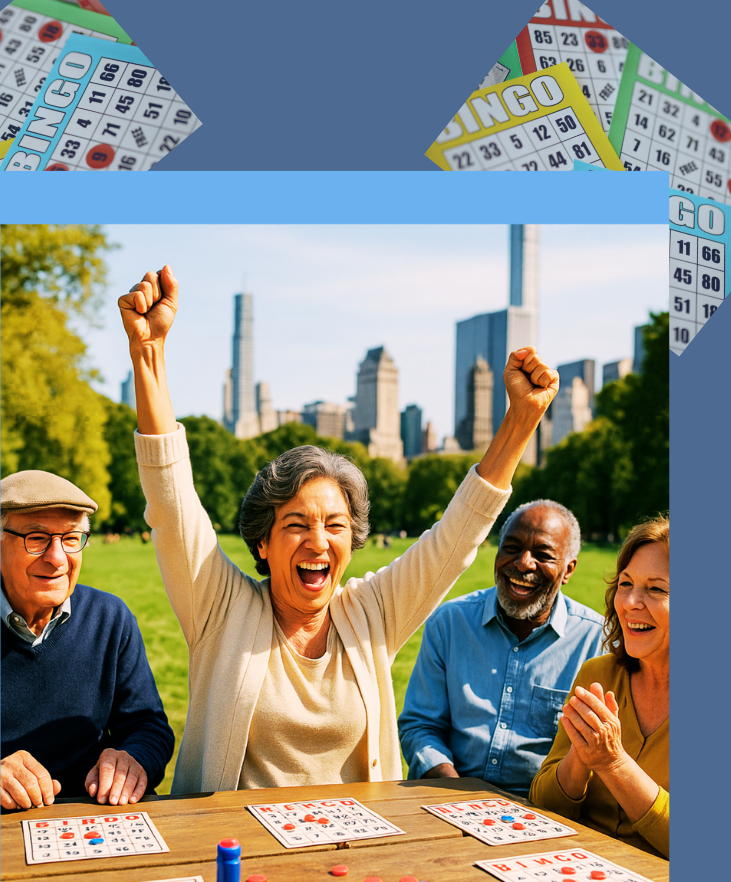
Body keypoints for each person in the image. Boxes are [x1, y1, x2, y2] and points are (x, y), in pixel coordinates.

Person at [119, 265, 559, 796]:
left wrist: (521, 420)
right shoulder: (220, 607)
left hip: (349, 867)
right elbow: (171, 502)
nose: (318, 540)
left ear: (351, 541)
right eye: (297, 524)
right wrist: (149, 353)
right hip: (237, 862)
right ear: (263, 541)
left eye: (335, 525)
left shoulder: (372, 612)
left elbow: (457, 536)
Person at [399, 501, 604, 792]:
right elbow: (420, 727)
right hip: (448, 794)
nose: (523, 563)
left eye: (543, 555)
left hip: (547, 810)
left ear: (568, 570)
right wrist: (456, 794)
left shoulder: (596, 642)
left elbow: (596, 755)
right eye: (511, 547)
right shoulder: (449, 623)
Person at [0, 469, 175, 810]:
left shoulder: (110, 617)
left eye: (70, 539)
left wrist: (132, 758)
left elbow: (148, 725)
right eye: (36, 538)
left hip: (94, 821)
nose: (57, 558)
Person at [529, 516, 669, 857]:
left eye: (656, 589)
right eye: (625, 584)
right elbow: (543, 804)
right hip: (579, 873)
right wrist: (581, 757)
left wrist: (613, 763)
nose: (631, 602)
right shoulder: (599, 674)